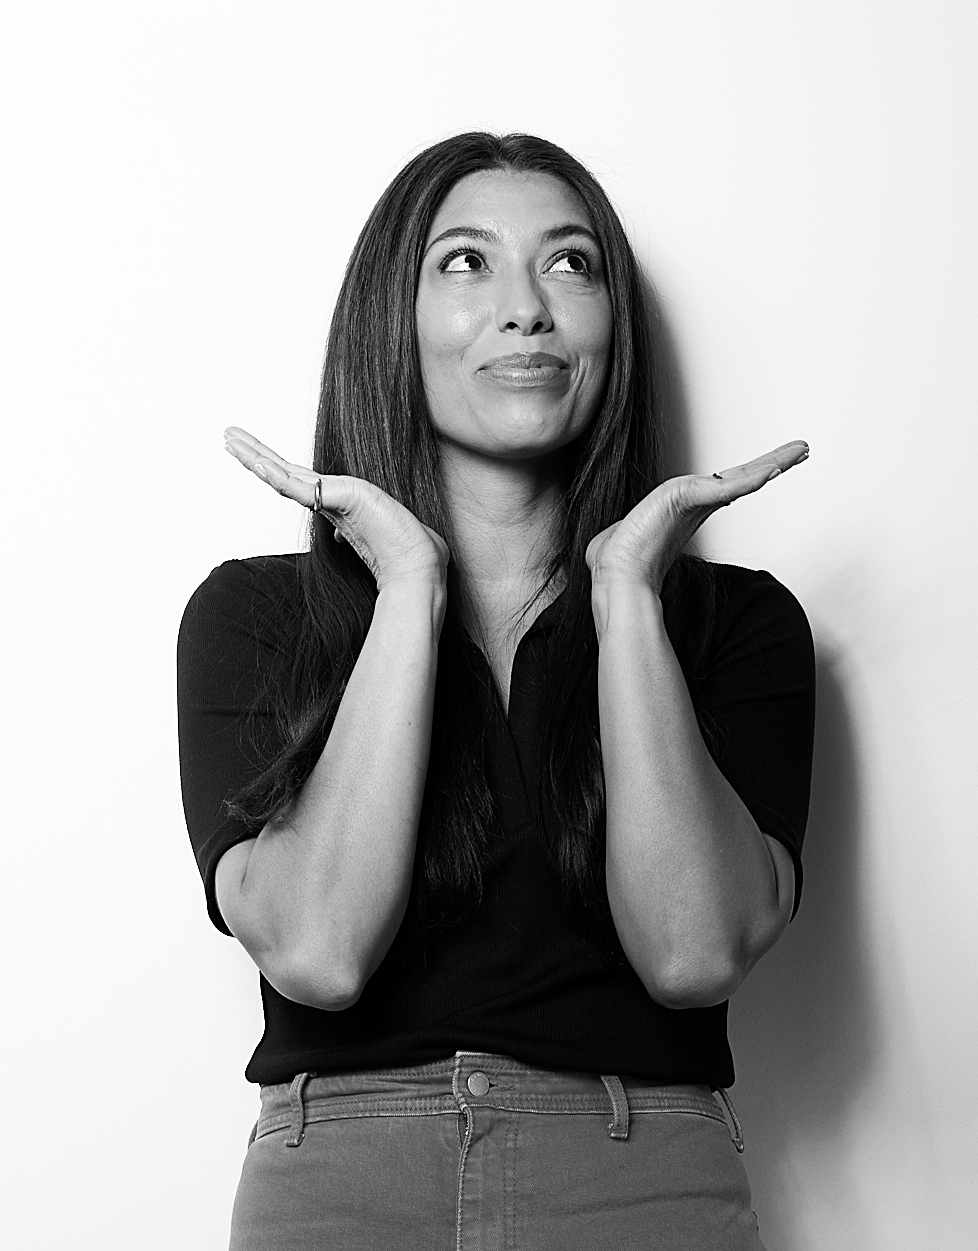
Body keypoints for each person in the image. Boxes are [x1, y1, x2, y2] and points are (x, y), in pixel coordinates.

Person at [177, 132, 815, 1250]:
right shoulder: (257, 616)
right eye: (467, 262)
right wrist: (408, 586)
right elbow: (319, 952)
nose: (527, 309)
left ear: (615, 328)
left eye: (570, 263)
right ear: (392, 318)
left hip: (645, 1185)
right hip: (343, 1188)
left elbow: (693, 954)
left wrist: (627, 596)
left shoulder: (738, 625)